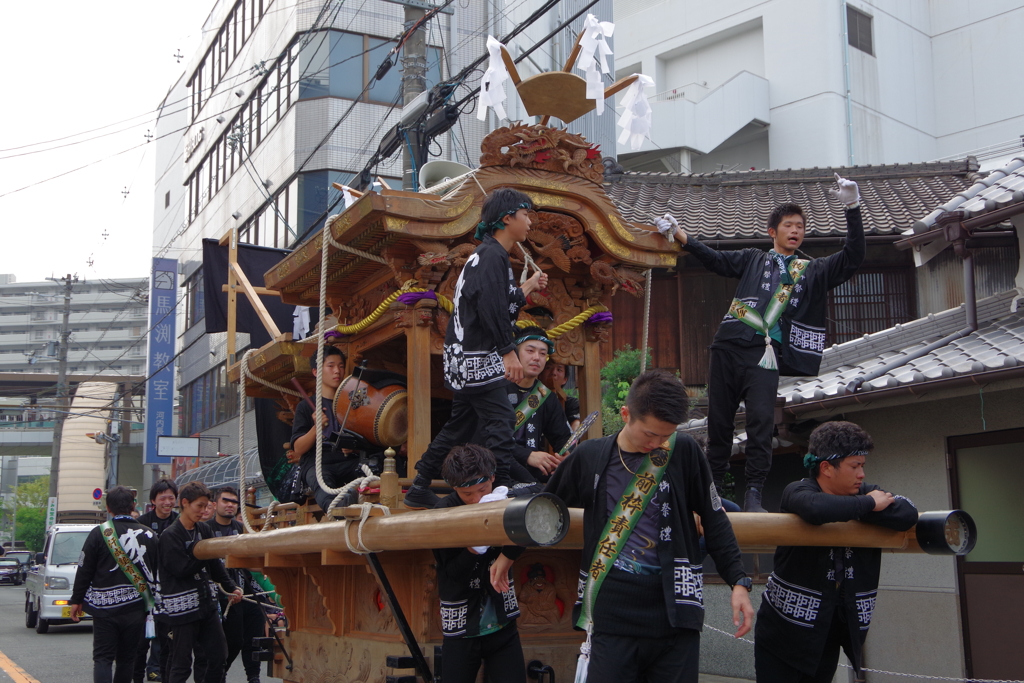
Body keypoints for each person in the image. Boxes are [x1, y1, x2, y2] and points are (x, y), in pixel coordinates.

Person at [657, 174, 865, 512]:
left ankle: (754, 493)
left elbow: (853, 256)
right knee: (719, 424)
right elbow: (716, 260)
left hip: (765, 355)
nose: (795, 230)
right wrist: (682, 236)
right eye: (788, 225)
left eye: (800, 226)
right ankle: (711, 493)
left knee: (761, 423)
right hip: (726, 347)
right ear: (773, 232)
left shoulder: (812, 270)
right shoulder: (754, 258)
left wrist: (852, 207)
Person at [544, 369, 754, 683]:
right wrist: (508, 553)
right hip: (611, 613)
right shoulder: (590, 456)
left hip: (674, 613)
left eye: (666, 435)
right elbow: (547, 505)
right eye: (649, 434)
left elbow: (714, 518)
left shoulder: (683, 451)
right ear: (626, 414)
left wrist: (738, 580)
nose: (656, 443)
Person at [404, 188, 548, 508]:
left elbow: (500, 303)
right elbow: (491, 310)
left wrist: (528, 286)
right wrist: (508, 351)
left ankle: (419, 485)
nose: (529, 222)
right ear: (507, 218)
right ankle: (503, 488)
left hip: (462, 357)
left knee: (460, 426)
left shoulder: (488, 254)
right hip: (478, 358)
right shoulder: (493, 256)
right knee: (501, 421)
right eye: (526, 215)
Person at [753, 421, 917, 683]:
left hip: (831, 626)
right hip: (784, 630)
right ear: (826, 467)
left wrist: (864, 505)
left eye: (862, 465)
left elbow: (907, 512)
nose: (861, 474)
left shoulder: (865, 493)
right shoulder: (799, 490)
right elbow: (815, 509)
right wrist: (869, 505)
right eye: (854, 466)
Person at [432, 444, 526, 683]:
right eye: (467, 495)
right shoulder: (443, 512)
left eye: (483, 490)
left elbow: (532, 525)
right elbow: (452, 572)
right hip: (462, 626)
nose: (477, 499)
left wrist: (507, 557)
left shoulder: (502, 498)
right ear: (455, 488)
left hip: (503, 622)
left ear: (493, 477)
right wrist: (474, 547)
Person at [70, 486, 160, 683]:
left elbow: (84, 569)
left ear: (108, 507)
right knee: (127, 659)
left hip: (105, 609)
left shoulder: (98, 533)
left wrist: (77, 600)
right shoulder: (150, 535)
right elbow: (158, 572)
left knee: (103, 658)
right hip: (137, 607)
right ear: (133, 505)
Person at [157, 481, 242, 683]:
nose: (203, 511)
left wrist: (231, 587)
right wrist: (202, 553)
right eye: (199, 506)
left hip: (206, 603)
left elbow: (215, 566)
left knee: (219, 655)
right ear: (185, 503)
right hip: (181, 607)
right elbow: (181, 569)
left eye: (206, 506)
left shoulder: (203, 529)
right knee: (181, 662)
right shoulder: (170, 535)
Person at [475, 325, 572, 484]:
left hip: (533, 468)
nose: (537, 358)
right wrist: (526, 455)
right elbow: (483, 438)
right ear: (515, 354)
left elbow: (562, 437)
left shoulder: (545, 396)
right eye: (530, 351)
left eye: (542, 354)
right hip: (495, 467)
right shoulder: (494, 390)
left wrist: (566, 454)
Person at [289, 345, 362, 511]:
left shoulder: (351, 403)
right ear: (316, 372)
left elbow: (364, 440)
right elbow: (298, 449)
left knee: (373, 466)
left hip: (346, 461)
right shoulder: (305, 407)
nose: (337, 371)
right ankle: (337, 510)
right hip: (318, 462)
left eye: (341, 366)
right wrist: (316, 428)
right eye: (330, 366)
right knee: (321, 480)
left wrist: (353, 448)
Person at [209, 486, 264, 683]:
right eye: (226, 501)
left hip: (241, 592)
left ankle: (251, 676)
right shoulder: (206, 529)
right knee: (224, 642)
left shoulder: (242, 528)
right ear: (215, 504)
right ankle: (218, 674)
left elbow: (254, 561)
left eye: (234, 502)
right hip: (217, 595)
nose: (230, 505)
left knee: (245, 639)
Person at [134, 479, 179, 683]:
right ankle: (138, 673)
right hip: (144, 588)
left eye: (171, 498)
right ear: (153, 500)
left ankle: (157, 669)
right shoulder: (141, 523)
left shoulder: (180, 522)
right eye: (163, 498)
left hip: (170, 588)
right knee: (142, 636)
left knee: (165, 634)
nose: (167, 502)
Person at [539, 360, 581, 431]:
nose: (553, 372)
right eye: (548, 367)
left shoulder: (571, 404)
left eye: (559, 369)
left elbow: (575, 428)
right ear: (539, 374)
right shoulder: (531, 398)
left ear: (565, 379)